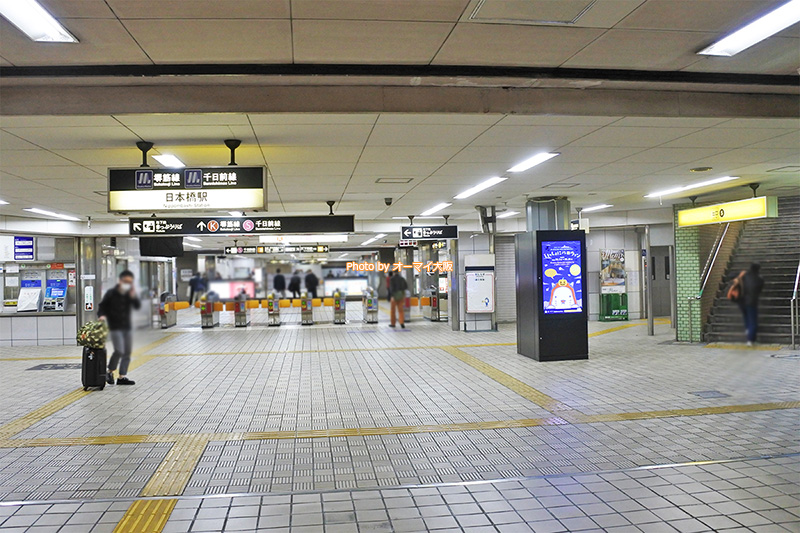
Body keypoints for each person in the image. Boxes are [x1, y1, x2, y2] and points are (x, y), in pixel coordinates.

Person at [98, 270, 141, 385]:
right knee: (119, 350)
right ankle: (110, 371)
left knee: (127, 352)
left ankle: (122, 377)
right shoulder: (111, 293)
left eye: (130, 282)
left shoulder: (130, 293)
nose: (128, 283)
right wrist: (101, 315)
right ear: (120, 281)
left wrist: (133, 296)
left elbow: (137, 306)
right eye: (126, 281)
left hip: (127, 326)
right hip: (115, 326)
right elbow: (102, 306)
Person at [739, 263, 764, 346]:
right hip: (752, 302)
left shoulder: (745, 276)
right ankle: (750, 339)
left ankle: (748, 331)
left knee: (746, 318)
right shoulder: (759, 279)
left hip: (742, 301)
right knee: (753, 321)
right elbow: (759, 290)